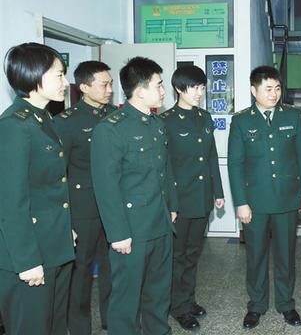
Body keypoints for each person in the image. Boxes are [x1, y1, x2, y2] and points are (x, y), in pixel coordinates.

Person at [90, 57, 178, 334]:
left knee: (158, 294)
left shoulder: (156, 124)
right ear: (139, 91)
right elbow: (106, 187)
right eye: (158, 85)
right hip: (131, 229)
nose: (163, 91)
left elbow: (165, 170)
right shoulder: (111, 128)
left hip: (160, 222)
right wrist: (117, 234)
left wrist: (172, 207)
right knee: (126, 301)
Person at [227, 66, 301, 329]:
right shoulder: (242, 120)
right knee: (256, 256)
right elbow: (235, 164)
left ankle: (286, 304)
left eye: (277, 88)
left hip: (287, 198)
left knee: (286, 255)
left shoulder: (293, 116)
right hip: (255, 203)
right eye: (268, 89)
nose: (274, 94)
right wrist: (241, 202)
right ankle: (256, 305)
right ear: (254, 91)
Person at [0, 42, 75, 334]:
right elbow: (10, 202)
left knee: (55, 327)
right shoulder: (13, 126)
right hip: (29, 255)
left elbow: (49, 187)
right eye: (59, 75)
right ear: (33, 76)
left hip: (54, 245)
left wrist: (65, 228)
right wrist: (27, 261)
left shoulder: (42, 118)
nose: (66, 83)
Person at [160, 65, 225, 332]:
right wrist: (171, 203)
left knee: (192, 254)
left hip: (202, 197)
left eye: (201, 87)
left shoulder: (204, 117)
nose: (199, 92)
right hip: (180, 201)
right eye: (194, 87)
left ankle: (188, 299)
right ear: (178, 88)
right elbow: (165, 167)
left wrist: (218, 191)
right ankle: (178, 308)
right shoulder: (165, 121)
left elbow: (211, 156)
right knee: (178, 256)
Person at [53, 61, 115, 334]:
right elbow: (59, 173)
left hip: (113, 209)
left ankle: (113, 321)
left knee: (114, 268)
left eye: (111, 83)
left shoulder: (115, 116)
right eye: (104, 84)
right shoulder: (66, 122)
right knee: (81, 274)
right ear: (84, 87)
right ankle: (79, 328)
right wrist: (65, 218)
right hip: (83, 210)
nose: (110, 89)